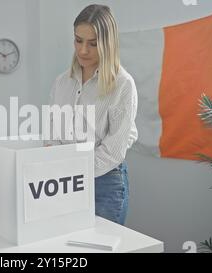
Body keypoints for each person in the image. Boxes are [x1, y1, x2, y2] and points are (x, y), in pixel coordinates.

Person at [45, 4, 138, 225]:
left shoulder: (123, 84)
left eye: (93, 43)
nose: (83, 50)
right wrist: (59, 172)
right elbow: (52, 135)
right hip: (63, 180)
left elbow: (114, 150)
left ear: (108, 43)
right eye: (78, 40)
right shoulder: (61, 82)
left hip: (104, 184)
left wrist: (73, 171)